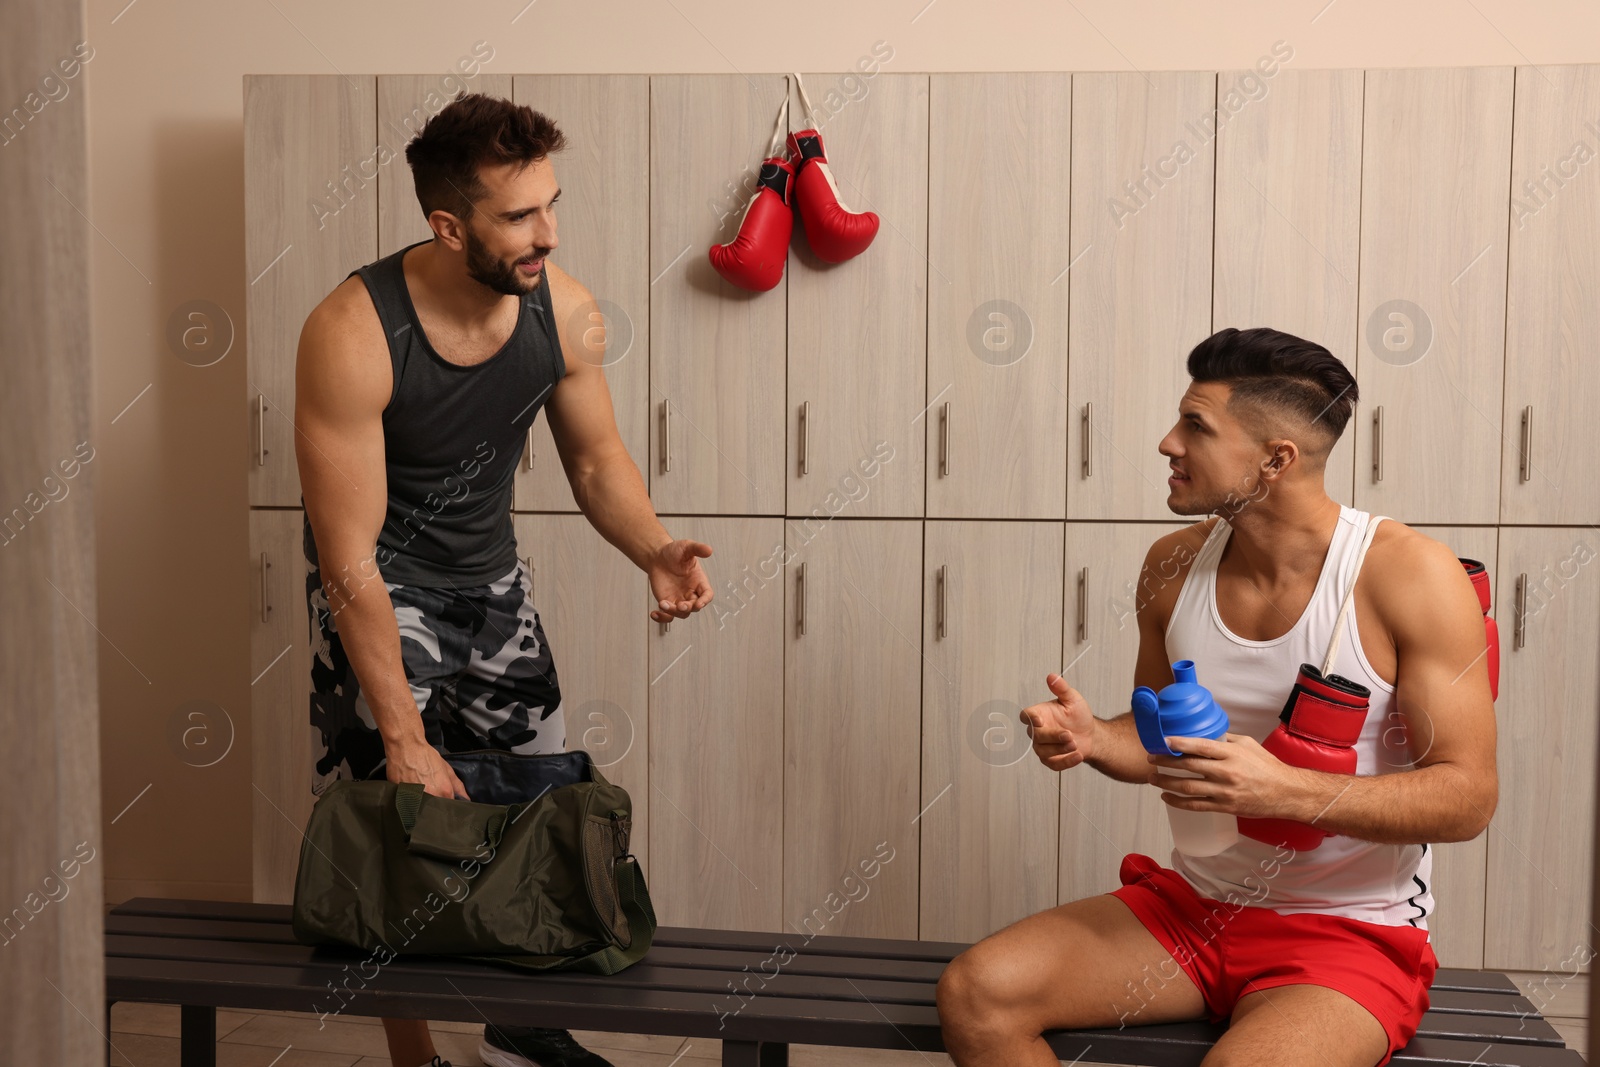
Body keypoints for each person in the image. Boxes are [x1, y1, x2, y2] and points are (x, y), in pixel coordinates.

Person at [935, 327, 1498, 1067]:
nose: (1168, 442)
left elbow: (1468, 797)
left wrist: (1290, 788)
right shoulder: (1171, 564)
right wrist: (1098, 738)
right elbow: (1163, 744)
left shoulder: (1408, 574)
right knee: (978, 993)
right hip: (1192, 909)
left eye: (1196, 426)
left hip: (1345, 933)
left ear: (1276, 458)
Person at [294, 93, 714, 1067]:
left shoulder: (562, 310)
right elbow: (346, 556)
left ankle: (523, 1034)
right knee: (390, 830)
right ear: (449, 226)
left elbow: (599, 461)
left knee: (538, 807)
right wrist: (400, 731)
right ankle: (417, 1060)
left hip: (493, 592)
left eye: (551, 205)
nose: (549, 233)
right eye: (520, 216)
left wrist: (652, 547)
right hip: (381, 591)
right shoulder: (353, 331)